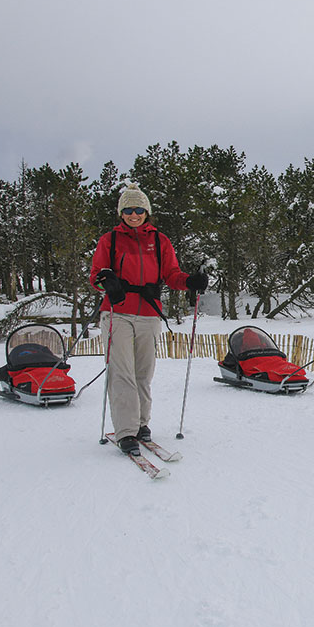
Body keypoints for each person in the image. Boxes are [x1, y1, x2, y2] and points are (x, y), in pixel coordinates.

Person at [89, 183, 208, 455]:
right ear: (121, 213)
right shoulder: (111, 240)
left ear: (147, 212)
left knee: (143, 372)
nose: (134, 214)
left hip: (148, 312)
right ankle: (126, 431)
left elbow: (172, 275)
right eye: (129, 210)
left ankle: (142, 424)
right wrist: (107, 282)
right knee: (122, 373)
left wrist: (190, 281)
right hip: (117, 311)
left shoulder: (159, 240)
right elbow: (97, 273)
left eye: (139, 210)